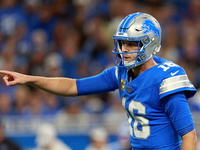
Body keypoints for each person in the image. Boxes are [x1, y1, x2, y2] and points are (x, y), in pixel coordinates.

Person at [0, 12, 197, 150]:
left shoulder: (165, 79)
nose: (124, 50)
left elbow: (189, 136)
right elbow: (73, 86)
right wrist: (29, 79)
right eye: (122, 43)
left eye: (131, 44)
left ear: (150, 44)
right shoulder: (120, 73)